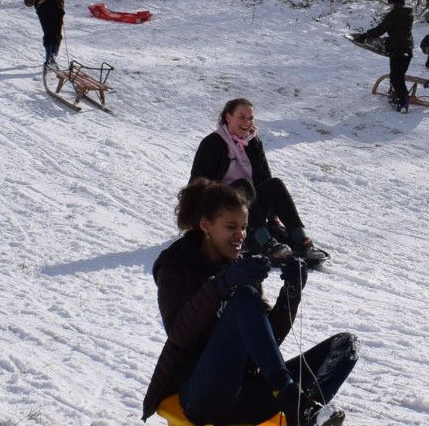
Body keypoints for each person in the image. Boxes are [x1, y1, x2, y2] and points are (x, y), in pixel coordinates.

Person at [141, 179, 357, 426]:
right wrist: (220, 286)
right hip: (199, 397)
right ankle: (292, 400)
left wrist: (291, 295)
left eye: (244, 227)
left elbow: (266, 342)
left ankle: (305, 415)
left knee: (345, 346)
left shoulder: (240, 264)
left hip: (244, 395)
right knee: (244, 299)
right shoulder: (175, 264)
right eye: (231, 226)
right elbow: (178, 333)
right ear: (206, 225)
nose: (241, 235)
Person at [190, 98, 332, 266]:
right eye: (241, 117)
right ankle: (266, 243)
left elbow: (264, 180)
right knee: (241, 186)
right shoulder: (212, 143)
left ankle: (302, 241)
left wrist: (273, 220)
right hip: (218, 213)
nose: (247, 122)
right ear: (228, 117)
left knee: (275, 184)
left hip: (249, 211)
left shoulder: (254, 143)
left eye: (250, 118)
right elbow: (196, 186)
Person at [351, 0, 415, 112]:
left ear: (394, 3)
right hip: (407, 50)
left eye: (390, 3)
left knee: (396, 79)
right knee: (398, 76)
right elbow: (398, 32)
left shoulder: (394, 15)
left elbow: (380, 30)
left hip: (398, 50)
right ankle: (398, 97)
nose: (389, 5)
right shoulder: (407, 15)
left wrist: (364, 36)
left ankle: (403, 103)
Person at [24, 0, 69, 67]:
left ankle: (49, 57)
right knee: (56, 32)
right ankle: (52, 58)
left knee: (48, 32)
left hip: (42, 7)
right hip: (56, 6)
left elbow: (28, 2)